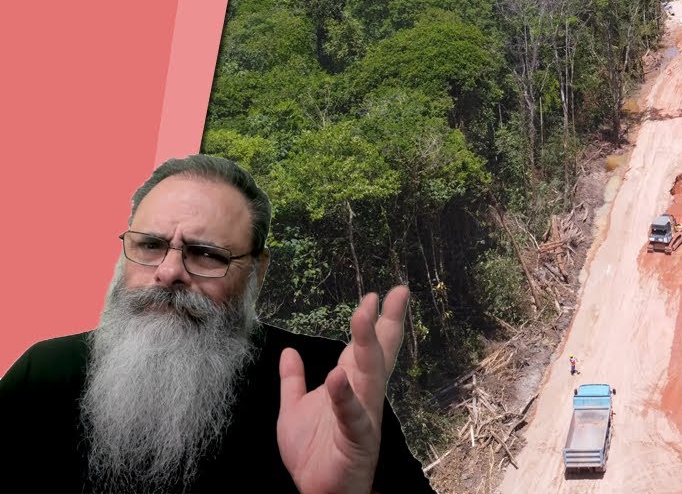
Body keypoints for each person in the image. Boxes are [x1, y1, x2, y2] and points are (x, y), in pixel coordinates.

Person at [0, 154, 435, 494]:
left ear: (256, 271)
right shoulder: (44, 374)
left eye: (206, 254)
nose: (169, 272)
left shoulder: (327, 381)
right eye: (149, 245)